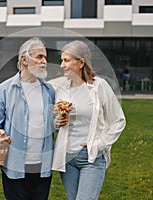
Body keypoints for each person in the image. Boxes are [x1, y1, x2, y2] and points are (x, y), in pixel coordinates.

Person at [52, 40, 126, 200]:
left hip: (90, 157)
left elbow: (118, 120)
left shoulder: (99, 86)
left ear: (81, 62)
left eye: (66, 60)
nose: (62, 65)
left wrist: (100, 144)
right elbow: (57, 123)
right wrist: (57, 123)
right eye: (62, 60)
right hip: (67, 158)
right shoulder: (62, 89)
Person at [0, 37, 55, 200]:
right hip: (14, 165)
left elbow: (53, 125)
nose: (44, 61)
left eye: (45, 57)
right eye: (39, 57)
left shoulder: (49, 90)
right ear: (24, 59)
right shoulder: (4, 89)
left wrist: (60, 121)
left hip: (42, 166)